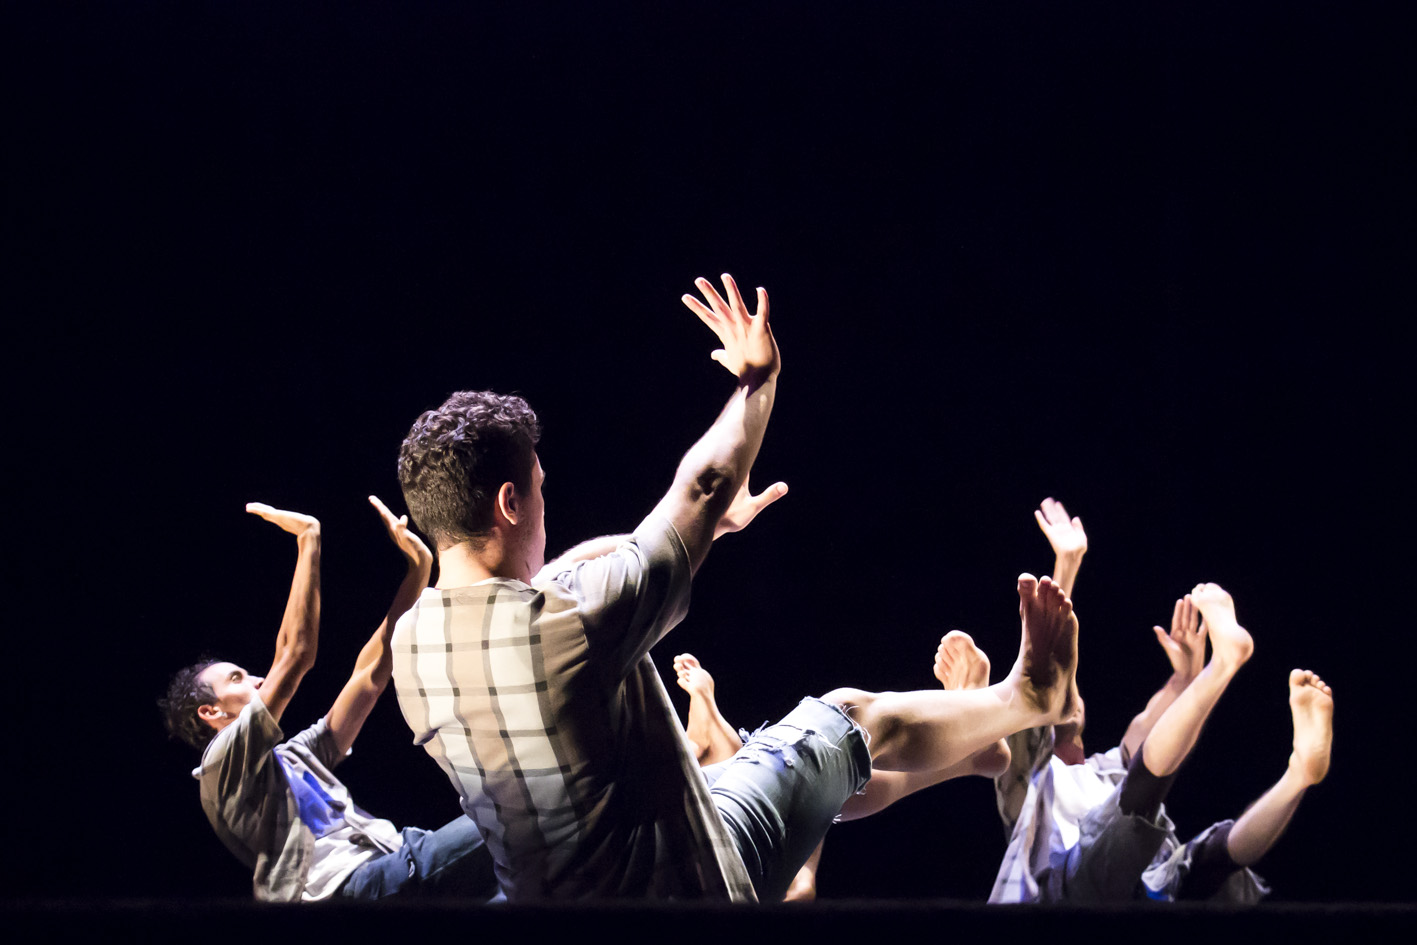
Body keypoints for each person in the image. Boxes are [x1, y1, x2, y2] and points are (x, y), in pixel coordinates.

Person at [391, 273, 1081, 902]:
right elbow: (703, 484)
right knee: (848, 717)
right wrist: (758, 382)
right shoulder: (570, 626)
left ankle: (968, 753)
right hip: (683, 881)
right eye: (539, 490)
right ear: (510, 503)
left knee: (787, 767)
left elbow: (553, 586)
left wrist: (704, 531)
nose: (546, 505)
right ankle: (1025, 698)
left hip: (565, 892)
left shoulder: (412, 648)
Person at [968, 499, 1334, 903]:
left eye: (1073, 694)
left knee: (1210, 858)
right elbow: (1040, 674)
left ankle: (1299, 773)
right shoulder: (1031, 771)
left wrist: (1184, 679)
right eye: (1061, 697)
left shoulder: (1106, 770)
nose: (1069, 697)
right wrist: (1066, 566)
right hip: (1065, 898)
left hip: (1150, 890)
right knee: (1134, 806)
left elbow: (1150, 732)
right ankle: (1224, 665)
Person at [159, 497, 498, 902]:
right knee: (514, 814)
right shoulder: (221, 766)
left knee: (533, 885)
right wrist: (309, 538)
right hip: (350, 888)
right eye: (237, 678)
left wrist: (419, 570)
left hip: (390, 864)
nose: (258, 678)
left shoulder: (295, 758)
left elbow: (368, 676)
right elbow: (294, 655)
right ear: (210, 711)